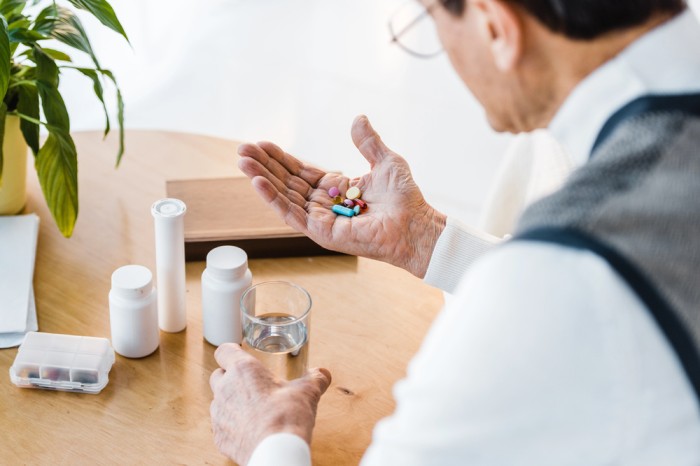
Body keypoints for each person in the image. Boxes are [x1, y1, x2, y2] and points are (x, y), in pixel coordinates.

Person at [209, 0, 700, 464]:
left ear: (494, 27)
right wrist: (425, 237)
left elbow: (571, 296)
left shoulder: (566, 274)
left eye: (433, 22)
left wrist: (269, 439)